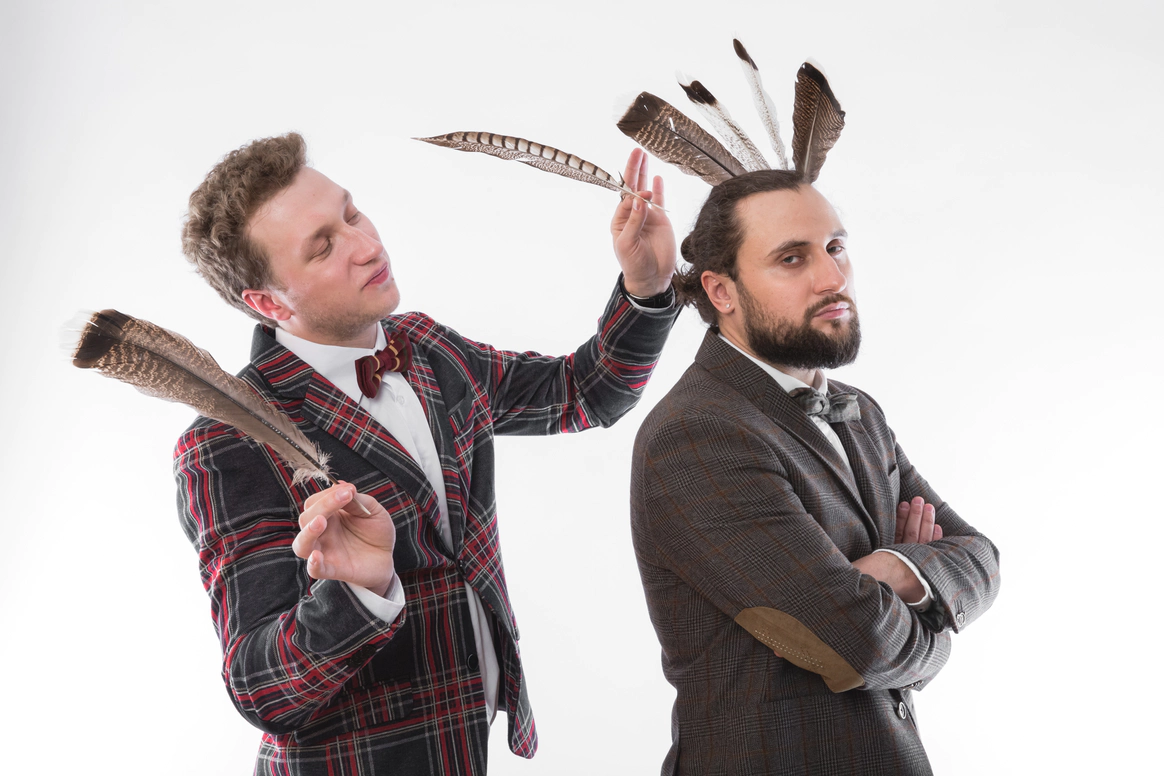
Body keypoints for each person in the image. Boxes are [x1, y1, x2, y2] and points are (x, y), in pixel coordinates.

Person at [173, 132, 678, 775]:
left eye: (351, 213)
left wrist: (645, 287)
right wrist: (358, 591)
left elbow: (585, 393)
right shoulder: (227, 440)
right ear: (269, 303)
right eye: (323, 247)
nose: (366, 245)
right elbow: (261, 689)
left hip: (466, 749)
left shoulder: (426, 348)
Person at [630, 169, 1000, 775]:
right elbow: (859, 642)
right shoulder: (697, 433)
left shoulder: (860, 412)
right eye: (792, 258)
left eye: (835, 248)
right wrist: (934, 628)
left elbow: (981, 558)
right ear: (721, 292)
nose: (833, 278)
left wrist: (898, 570)